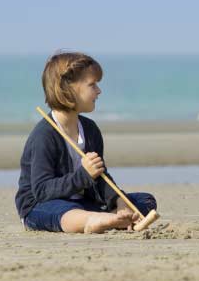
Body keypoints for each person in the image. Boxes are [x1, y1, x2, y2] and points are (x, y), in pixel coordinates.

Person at [15, 52, 157, 233]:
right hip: (40, 205)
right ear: (68, 88)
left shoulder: (90, 129)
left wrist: (119, 201)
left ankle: (110, 218)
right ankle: (95, 220)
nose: (99, 91)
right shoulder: (44, 135)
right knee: (62, 210)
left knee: (145, 200)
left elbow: (101, 177)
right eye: (92, 85)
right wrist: (84, 175)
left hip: (83, 203)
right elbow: (42, 191)